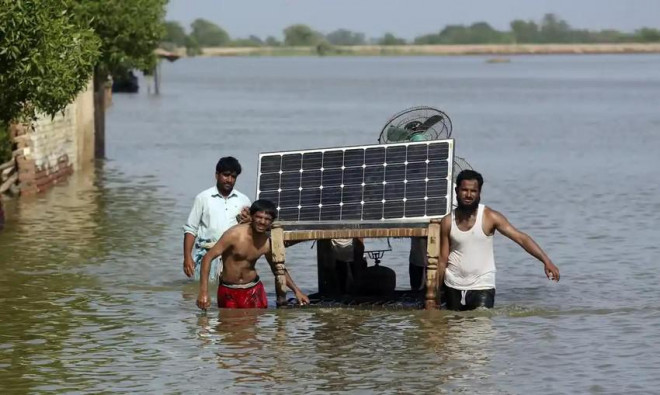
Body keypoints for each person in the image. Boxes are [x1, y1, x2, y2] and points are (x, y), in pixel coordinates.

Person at [436, 170, 560, 311]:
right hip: (452, 285)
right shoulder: (447, 222)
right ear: (457, 190)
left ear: (479, 193)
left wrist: (546, 261)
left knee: (481, 326)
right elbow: (442, 260)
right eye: (464, 190)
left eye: (473, 191)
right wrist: (435, 293)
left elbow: (521, 238)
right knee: (453, 327)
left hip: (482, 286)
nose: (469, 195)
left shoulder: (490, 217)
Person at [196, 199, 310, 310]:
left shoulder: (266, 243)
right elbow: (207, 258)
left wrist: (297, 291)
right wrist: (203, 292)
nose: (262, 222)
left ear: (272, 222)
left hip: (253, 289)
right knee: (227, 326)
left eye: (267, 219)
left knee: (254, 328)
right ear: (251, 217)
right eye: (259, 217)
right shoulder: (233, 235)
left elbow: (278, 269)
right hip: (228, 289)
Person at [183, 156, 251, 283]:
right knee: (204, 292)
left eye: (233, 177)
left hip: (233, 257)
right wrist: (187, 257)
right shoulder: (203, 198)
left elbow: (250, 232)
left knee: (231, 294)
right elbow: (190, 230)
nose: (229, 180)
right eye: (226, 175)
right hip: (207, 255)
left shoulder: (244, 200)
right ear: (217, 175)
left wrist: (248, 221)